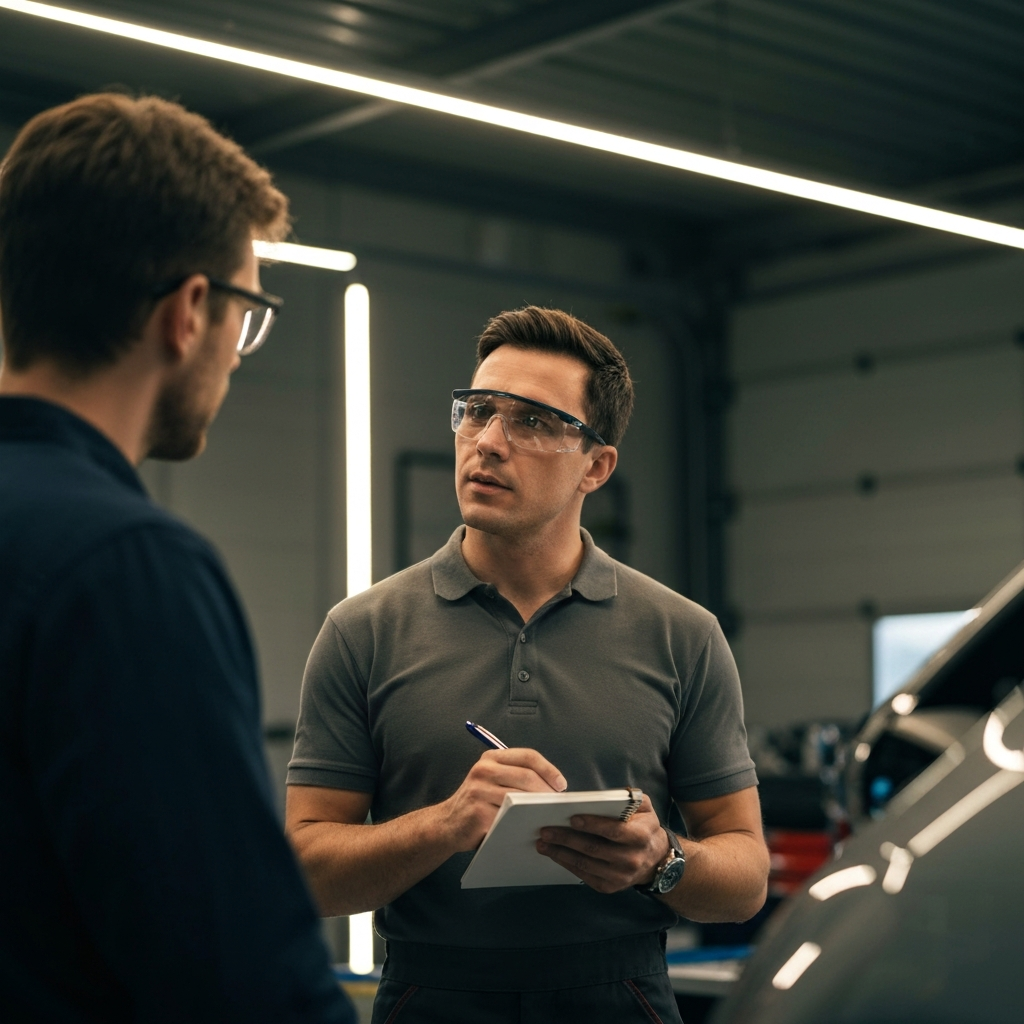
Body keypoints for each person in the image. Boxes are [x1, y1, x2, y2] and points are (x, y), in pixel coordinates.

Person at [285, 306, 770, 1023]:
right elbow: (303, 874)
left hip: (621, 995)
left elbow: (747, 878)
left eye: (533, 421)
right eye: (477, 411)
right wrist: (445, 825)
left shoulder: (682, 635)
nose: (487, 441)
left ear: (596, 467)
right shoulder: (362, 632)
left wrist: (662, 860)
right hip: (431, 995)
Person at [0, 94, 354, 1023]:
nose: (238, 354)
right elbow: (240, 978)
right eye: (248, 312)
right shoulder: (125, 567)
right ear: (190, 312)